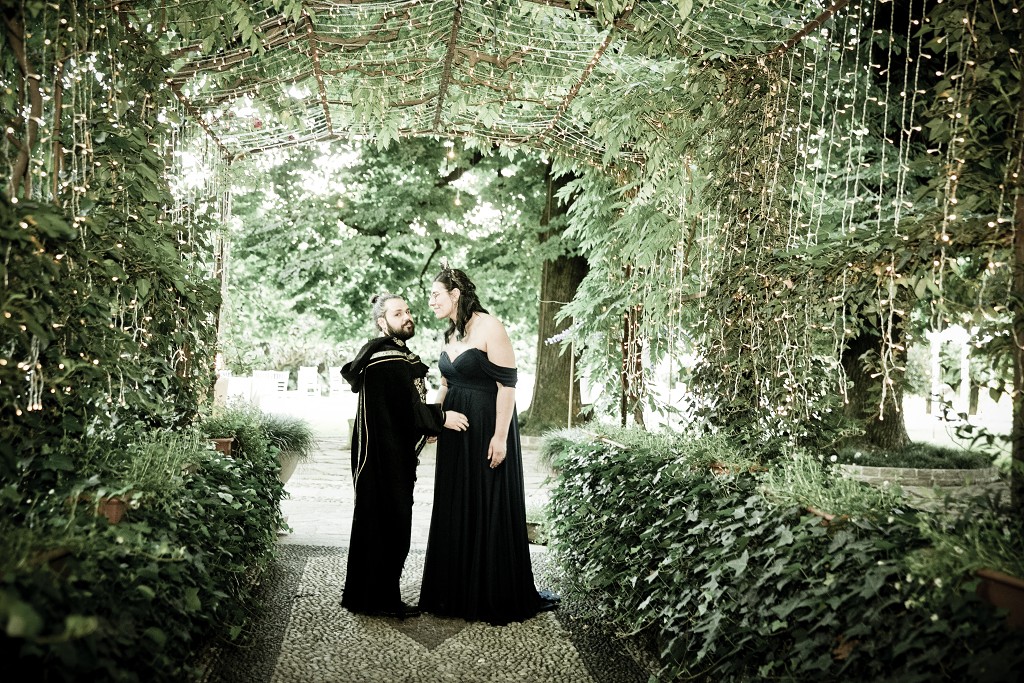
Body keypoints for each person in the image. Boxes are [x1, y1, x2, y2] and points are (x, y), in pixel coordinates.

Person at [418, 266, 559, 625]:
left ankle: (489, 590)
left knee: (486, 500)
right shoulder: (451, 333)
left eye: (435, 294)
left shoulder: (491, 327)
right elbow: (446, 384)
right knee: (456, 502)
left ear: (455, 294)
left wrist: (499, 436)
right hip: (455, 433)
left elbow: (507, 386)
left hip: (486, 428)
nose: (431, 301)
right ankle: (454, 591)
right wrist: (435, 419)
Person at [340, 292, 469, 618]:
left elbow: (401, 408)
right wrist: (441, 418)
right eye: (398, 313)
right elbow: (405, 409)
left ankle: (367, 597)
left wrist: (426, 425)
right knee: (390, 525)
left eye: (408, 311)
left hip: (385, 452)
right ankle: (380, 600)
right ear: (382, 322)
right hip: (382, 458)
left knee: (379, 522)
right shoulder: (387, 358)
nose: (407, 317)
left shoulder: (391, 354)